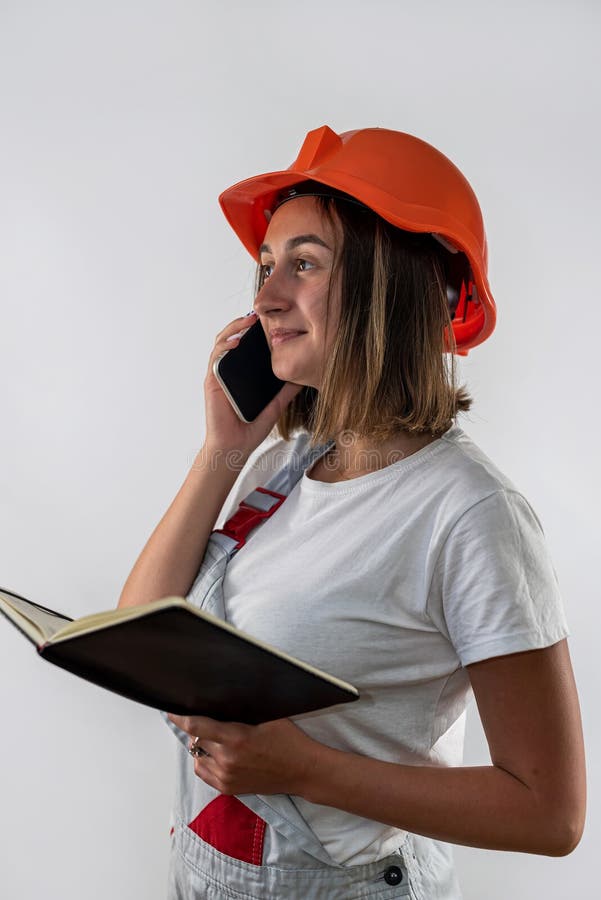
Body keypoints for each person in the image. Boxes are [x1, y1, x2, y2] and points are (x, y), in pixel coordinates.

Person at [119, 126, 586, 899]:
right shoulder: (278, 469)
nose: (266, 297)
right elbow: (138, 639)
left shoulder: (470, 515)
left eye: (302, 264)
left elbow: (549, 813)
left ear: (391, 286)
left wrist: (305, 770)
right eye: (266, 268)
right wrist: (222, 449)